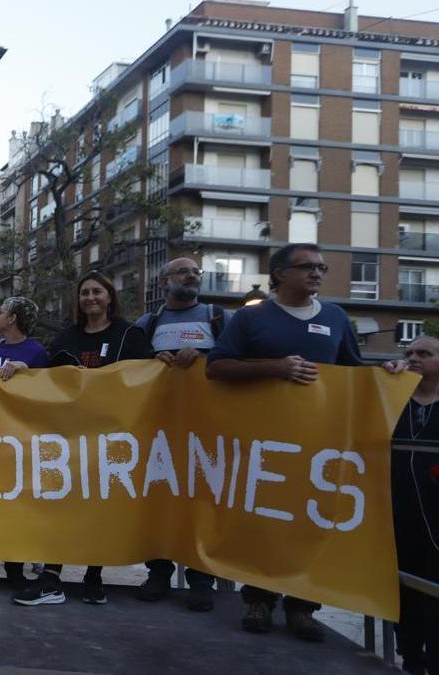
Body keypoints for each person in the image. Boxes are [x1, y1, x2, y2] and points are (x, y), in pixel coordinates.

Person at [205, 242, 392, 641]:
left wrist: (388, 371)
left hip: (319, 445)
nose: (317, 273)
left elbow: (353, 371)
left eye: (322, 267)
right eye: (307, 266)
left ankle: (302, 608)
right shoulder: (250, 318)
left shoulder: (337, 317)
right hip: (264, 444)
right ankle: (257, 600)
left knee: (310, 522)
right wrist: (276, 368)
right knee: (263, 522)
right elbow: (216, 366)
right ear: (279, 274)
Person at [13, 271, 150, 608]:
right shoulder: (66, 338)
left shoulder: (130, 334)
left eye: (97, 291)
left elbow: (149, 375)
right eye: (85, 293)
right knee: (60, 505)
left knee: (101, 508)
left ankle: (93, 577)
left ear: (109, 296)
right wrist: (21, 367)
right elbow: (45, 375)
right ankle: (51, 578)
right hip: (71, 438)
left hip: (114, 437)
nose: (90, 298)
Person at [133, 257, 231, 612]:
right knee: (159, 501)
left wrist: (208, 355)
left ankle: (201, 579)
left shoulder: (217, 318)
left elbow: (236, 357)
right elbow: (131, 366)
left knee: (200, 502)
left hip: (206, 430)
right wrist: (152, 360)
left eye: (196, 272)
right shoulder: (149, 323)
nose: (191, 276)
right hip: (160, 431)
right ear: (164, 282)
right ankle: (157, 572)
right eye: (183, 272)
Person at [0, 296, 49, 589]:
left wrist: (25, 371)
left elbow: (45, 390)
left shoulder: (36, 352)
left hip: (18, 440)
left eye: (1, 311)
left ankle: (14, 569)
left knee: (14, 506)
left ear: (13, 318)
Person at [392, 334, 439, 675]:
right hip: (397, 512)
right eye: (409, 352)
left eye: (424, 353)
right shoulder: (394, 400)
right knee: (402, 589)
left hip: (436, 518)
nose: (413, 357)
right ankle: (410, 657)